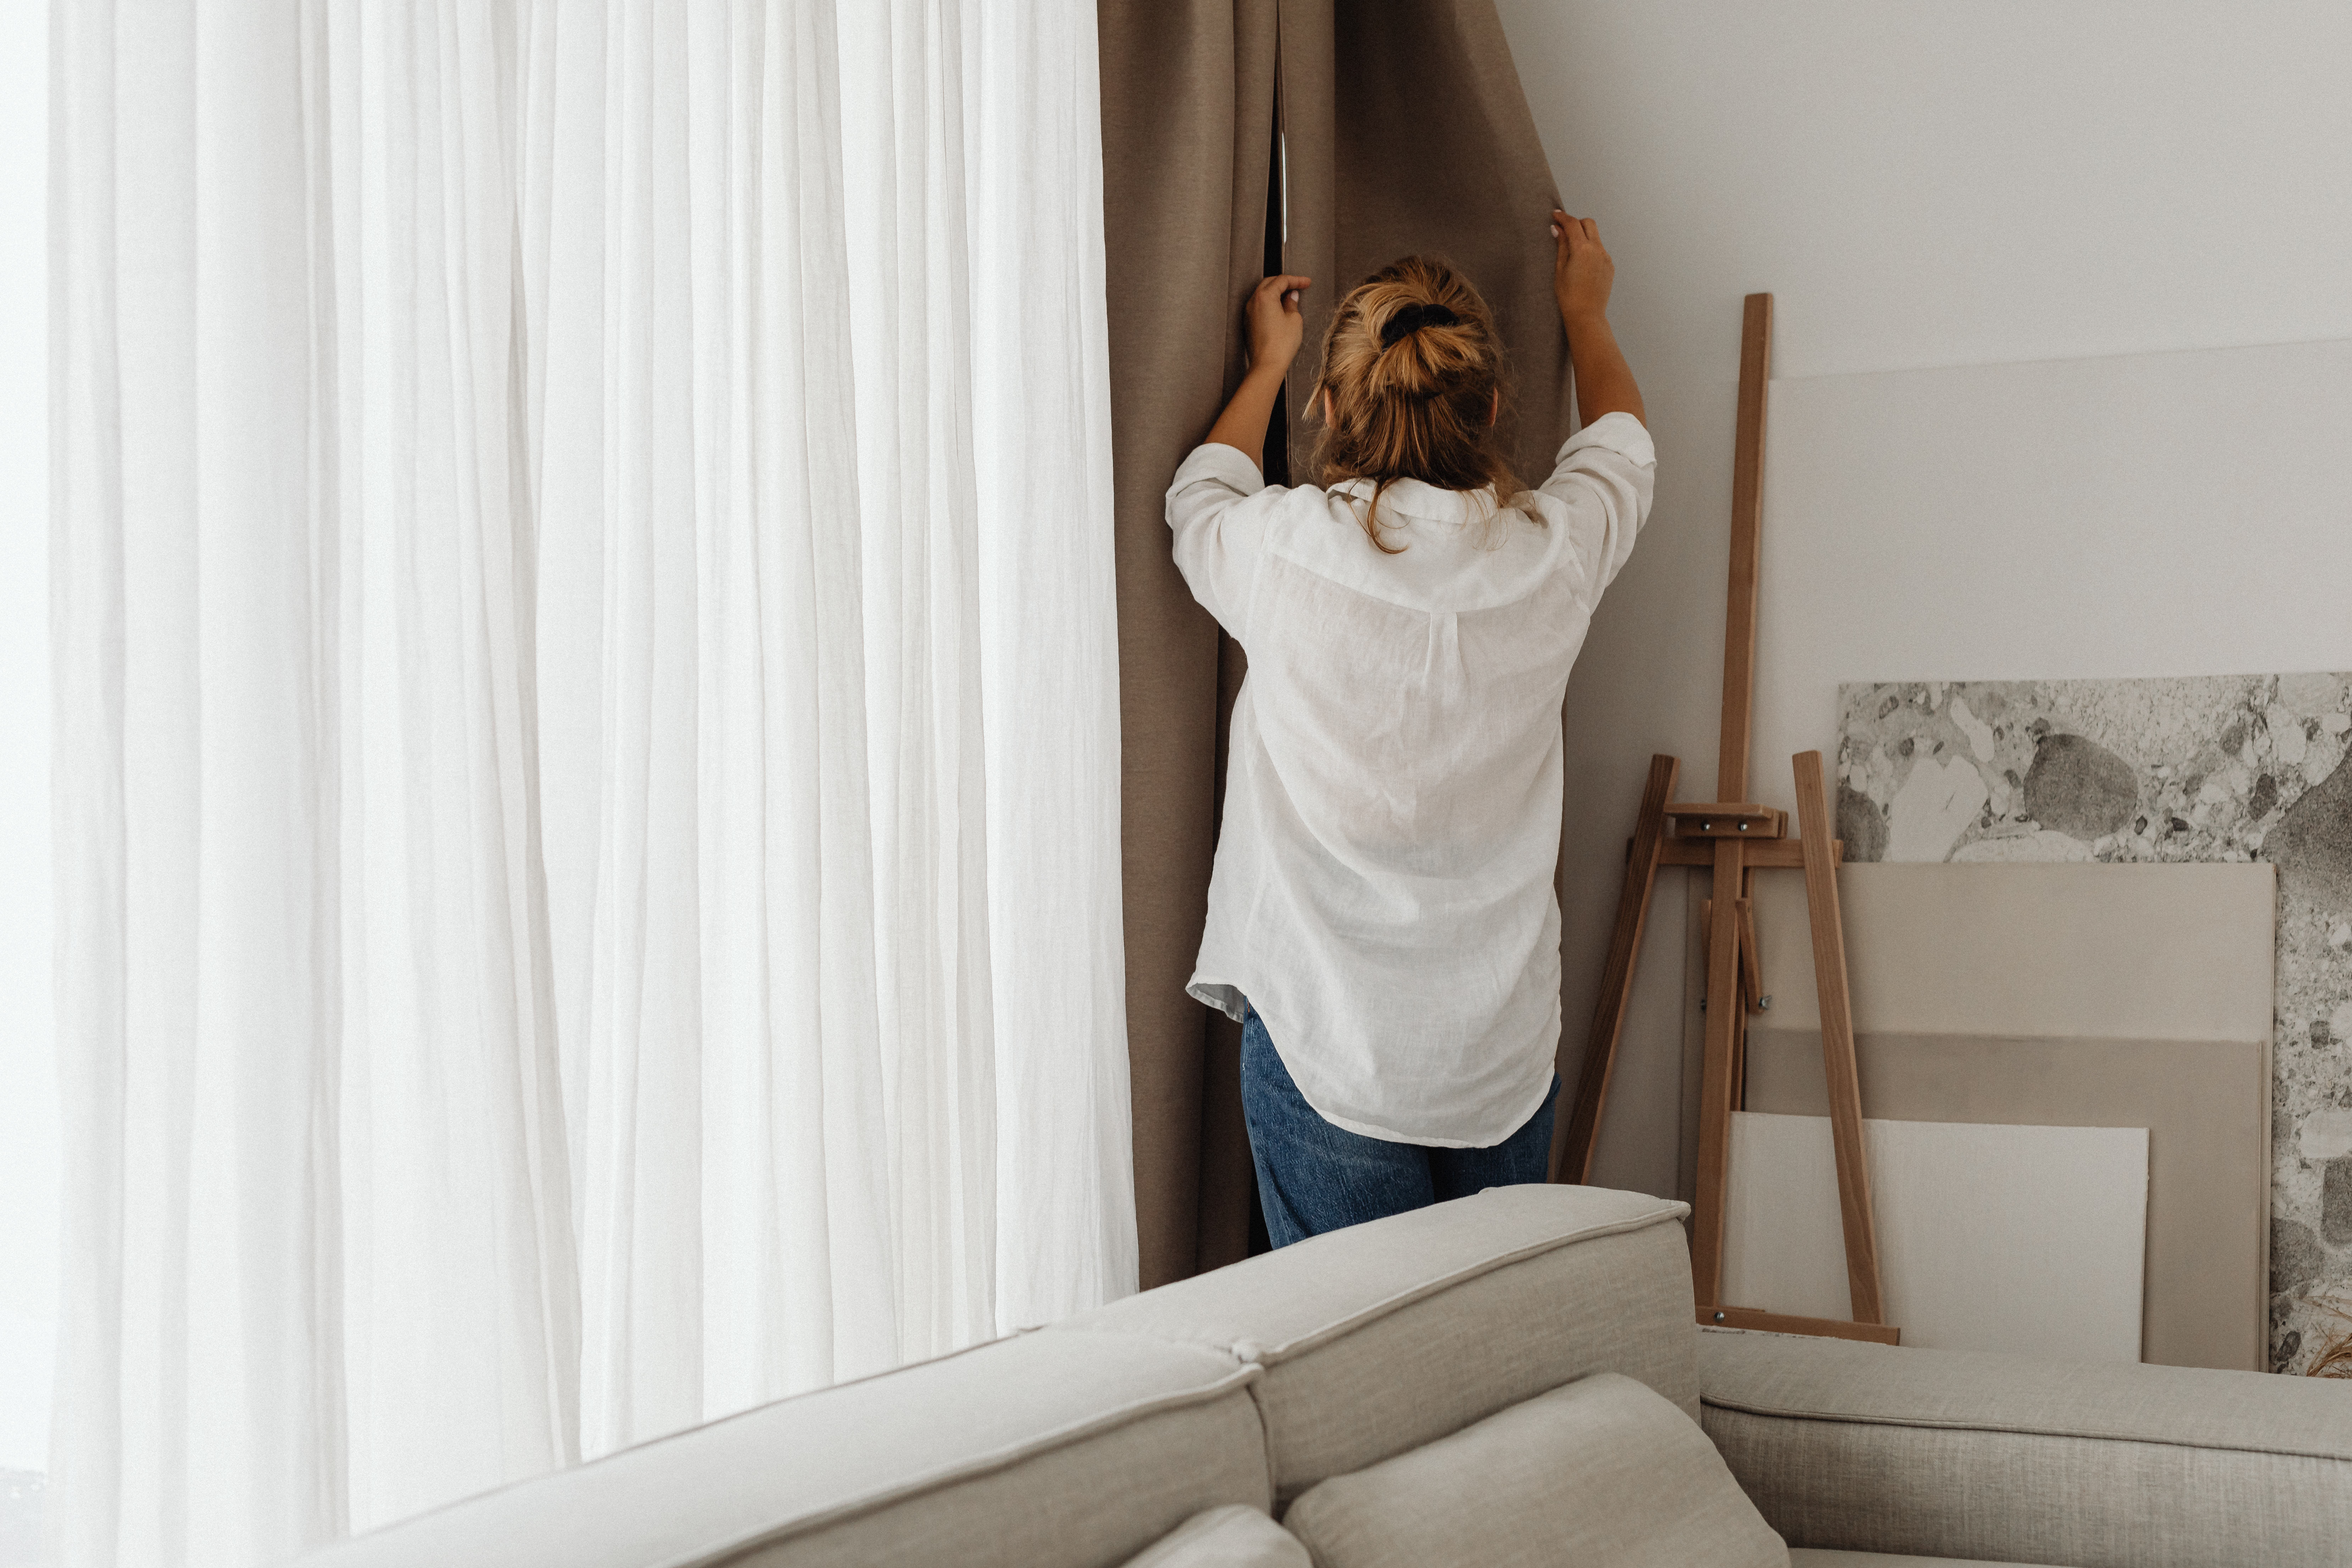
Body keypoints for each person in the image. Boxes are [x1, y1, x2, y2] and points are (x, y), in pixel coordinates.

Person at [1163, 211, 1653, 1246]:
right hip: (1499, 1057)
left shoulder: (1283, 551)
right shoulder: (1550, 556)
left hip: (1325, 1036)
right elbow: (1622, 450)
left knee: (1356, 1370)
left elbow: (1201, 494)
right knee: (1488, 1361)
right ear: (1488, 410)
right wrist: (1588, 314)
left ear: (1330, 407)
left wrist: (1265, 365)